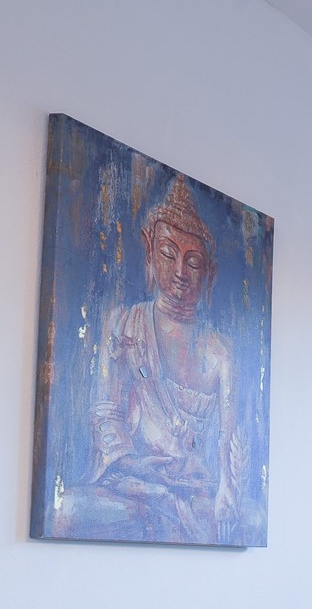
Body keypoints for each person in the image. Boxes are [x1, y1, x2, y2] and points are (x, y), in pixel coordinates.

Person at [67, 177, 245, 543]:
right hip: (132, 480)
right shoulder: (124, 323)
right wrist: (146, 471)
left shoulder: (220, 351)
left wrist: (227, 488)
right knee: (67, 510)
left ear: (207, 270)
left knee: (245, 518)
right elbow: (106, 414)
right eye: (168, 254)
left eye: (192, 261)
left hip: (195, 486)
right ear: (149, 252)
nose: (180, 272)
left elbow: (228, 439)